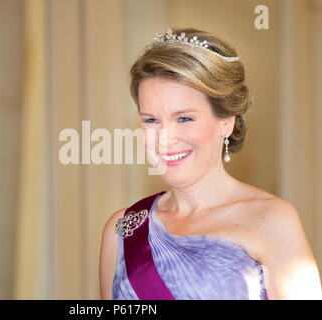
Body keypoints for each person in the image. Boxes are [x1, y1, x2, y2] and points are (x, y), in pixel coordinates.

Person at [99, 27, 322, 300]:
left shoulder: (272, 221)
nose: (165, 139)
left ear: (226, 122)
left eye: (184, 118)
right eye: (151, 120)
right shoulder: (122, 229)